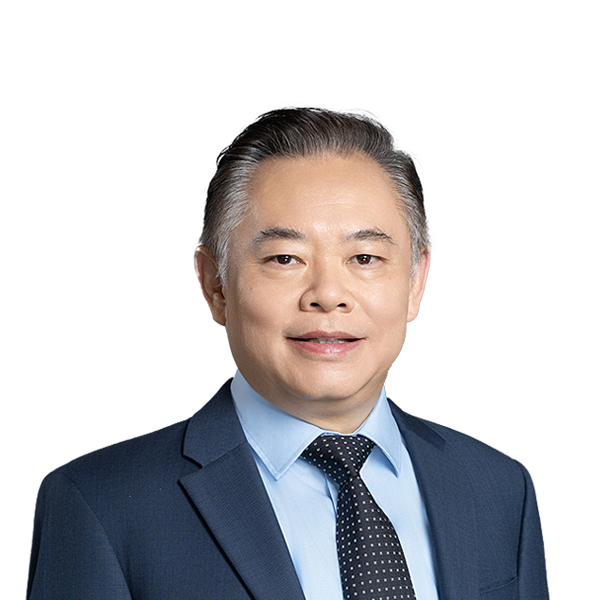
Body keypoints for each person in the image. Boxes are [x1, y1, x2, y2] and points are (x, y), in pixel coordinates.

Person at [27, 108, 549, 600]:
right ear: (215, 285)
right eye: (285, 258)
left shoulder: (499, 488)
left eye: (365, 257)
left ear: (415, 281)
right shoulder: (101, 504)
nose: (328, 294)